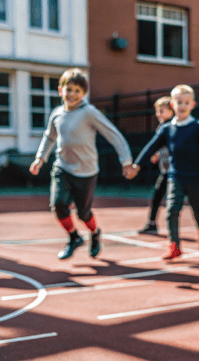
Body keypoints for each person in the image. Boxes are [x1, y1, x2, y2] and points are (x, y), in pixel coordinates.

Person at [30, 68, 135, 260]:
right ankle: (74, 237)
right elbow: (49, 137)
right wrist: (40, 158)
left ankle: (95, 234)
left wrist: (126, 161)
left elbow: (113, 135)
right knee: (58, 204)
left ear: (84, 93)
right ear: (60, 90)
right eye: (69, 89)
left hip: (86, 172)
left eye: (78, 91)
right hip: (62, 167)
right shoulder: (57, 114)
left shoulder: (89, 113)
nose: (72, 94)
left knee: (83, 214)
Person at [129, 85, 199, 260]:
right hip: (175, 176)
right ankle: (174, 246)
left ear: (192, 104)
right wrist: (137, 165)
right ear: (172, 104)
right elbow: (151, 147)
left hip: (196, 177)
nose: (183, 106)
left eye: (186, 102)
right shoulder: (166, 129)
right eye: (179, 102)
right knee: (171, 210)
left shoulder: (198, 127)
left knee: (198, 210)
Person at [139, 96, 175, 234]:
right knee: (157, 197)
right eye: (157, 111)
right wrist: (157, 154)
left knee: (172, 202)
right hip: (165, 171)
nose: (158, 114)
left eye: (161, 111)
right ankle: (152, 224)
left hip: (174, 171)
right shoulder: (162, 126)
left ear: (171, 111)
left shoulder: (172, 126)